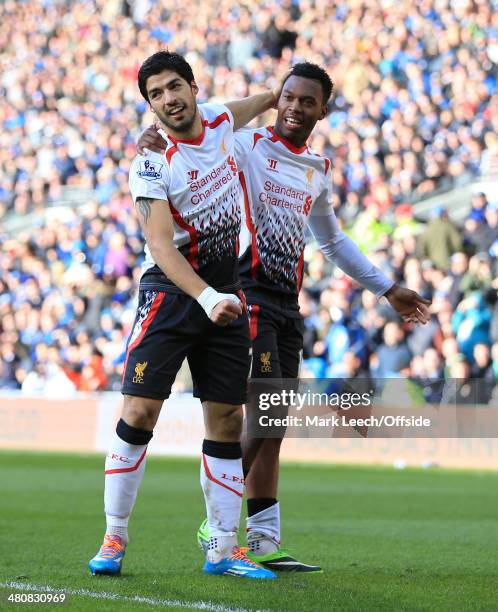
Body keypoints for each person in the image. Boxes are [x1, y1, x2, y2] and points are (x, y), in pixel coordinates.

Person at [138, 62, 431, 573]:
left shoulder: (317, 167)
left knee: (275, 424)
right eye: (288, 98)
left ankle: (266, 539)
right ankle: (218, 524)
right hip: (244, 293)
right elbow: (195, 128)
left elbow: (332, 240)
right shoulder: (244, 145)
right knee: (265, 409)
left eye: (306, 101)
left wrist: (388, 288)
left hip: (286, 302)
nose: (294, 107)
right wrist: (154, 134)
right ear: (279, 99)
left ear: (323, 109)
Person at [88, 51, 287, 580]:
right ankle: (114, 535)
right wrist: (205, 298)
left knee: (227, 419)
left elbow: (260, 102)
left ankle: (222, 548)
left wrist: (284, 95)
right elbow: (160, 244)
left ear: (194, 88)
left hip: (226, 292)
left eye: (174, 86)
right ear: (150, 105)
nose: (168, 99)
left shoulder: (221, 117)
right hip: (173, 295)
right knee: (139, 414)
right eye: (155, 94)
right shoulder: (151, 161)